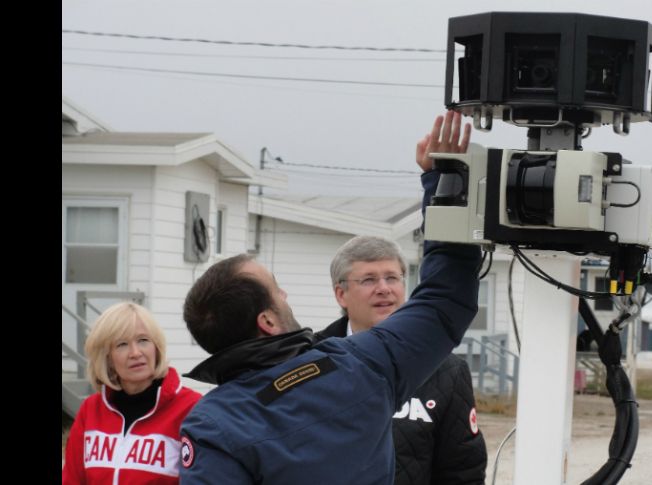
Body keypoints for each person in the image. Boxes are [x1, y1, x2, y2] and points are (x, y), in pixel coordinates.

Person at [179, 110, 480, 484]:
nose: (285, 294)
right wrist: (445, 181)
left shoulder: (211, 425)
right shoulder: (358, 366)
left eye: (392, 277)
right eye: (276, 290)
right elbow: (445, 298)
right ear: (267, 322)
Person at [317, 234, 487, 485]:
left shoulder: (447, 371)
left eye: (392, 278)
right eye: (368, 279)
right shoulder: (311, 362)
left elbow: (463, 473)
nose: (384, 288)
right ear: (341, 294)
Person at [62, 302, 201, 484]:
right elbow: (72, 479)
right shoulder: (90, 409)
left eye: (143, 340)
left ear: (156, 348)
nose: (135, 353)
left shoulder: (192, 408)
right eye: (122, 344)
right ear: (107, 358)